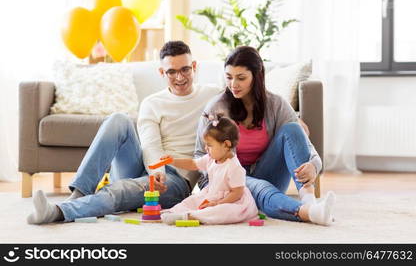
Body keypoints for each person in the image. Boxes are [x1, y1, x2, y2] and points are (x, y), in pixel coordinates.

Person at [27, 41, 221, 224]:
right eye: (172, 71)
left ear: (194, 66)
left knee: (119, 190)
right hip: (149, 167)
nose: (180, 77)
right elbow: (149, 144)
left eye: (185, 69)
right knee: (118, 119)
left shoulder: (213, 96)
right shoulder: (152, 103)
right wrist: (156, 171)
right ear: (162, 72)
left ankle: (57, 212)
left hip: (176, 180)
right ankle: (79, 193)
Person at [195, 46, 336, 226]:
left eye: (241, 78)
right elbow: (200, 154)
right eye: (229, 77)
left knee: (293, 128)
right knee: (262, 188)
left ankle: (309, 201)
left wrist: (314, 166)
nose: (233, 85)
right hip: (231, 183)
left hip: (266, 172)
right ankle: (311, 213)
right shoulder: (216, 108)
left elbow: (305, 143)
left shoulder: (275, 104)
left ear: (257, 76)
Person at [160, 114, 258, 225]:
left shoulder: (234, 167)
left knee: (223, 211)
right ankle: (173, 212)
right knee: (192, 200)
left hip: (231, 200)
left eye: (209, 145)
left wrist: (218, 203)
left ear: (226, 145)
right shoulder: (210, 159)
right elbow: (193, 164)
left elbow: (237, 193)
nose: (206, 148)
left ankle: (190, 216)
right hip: (211, 194)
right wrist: (173, 161)